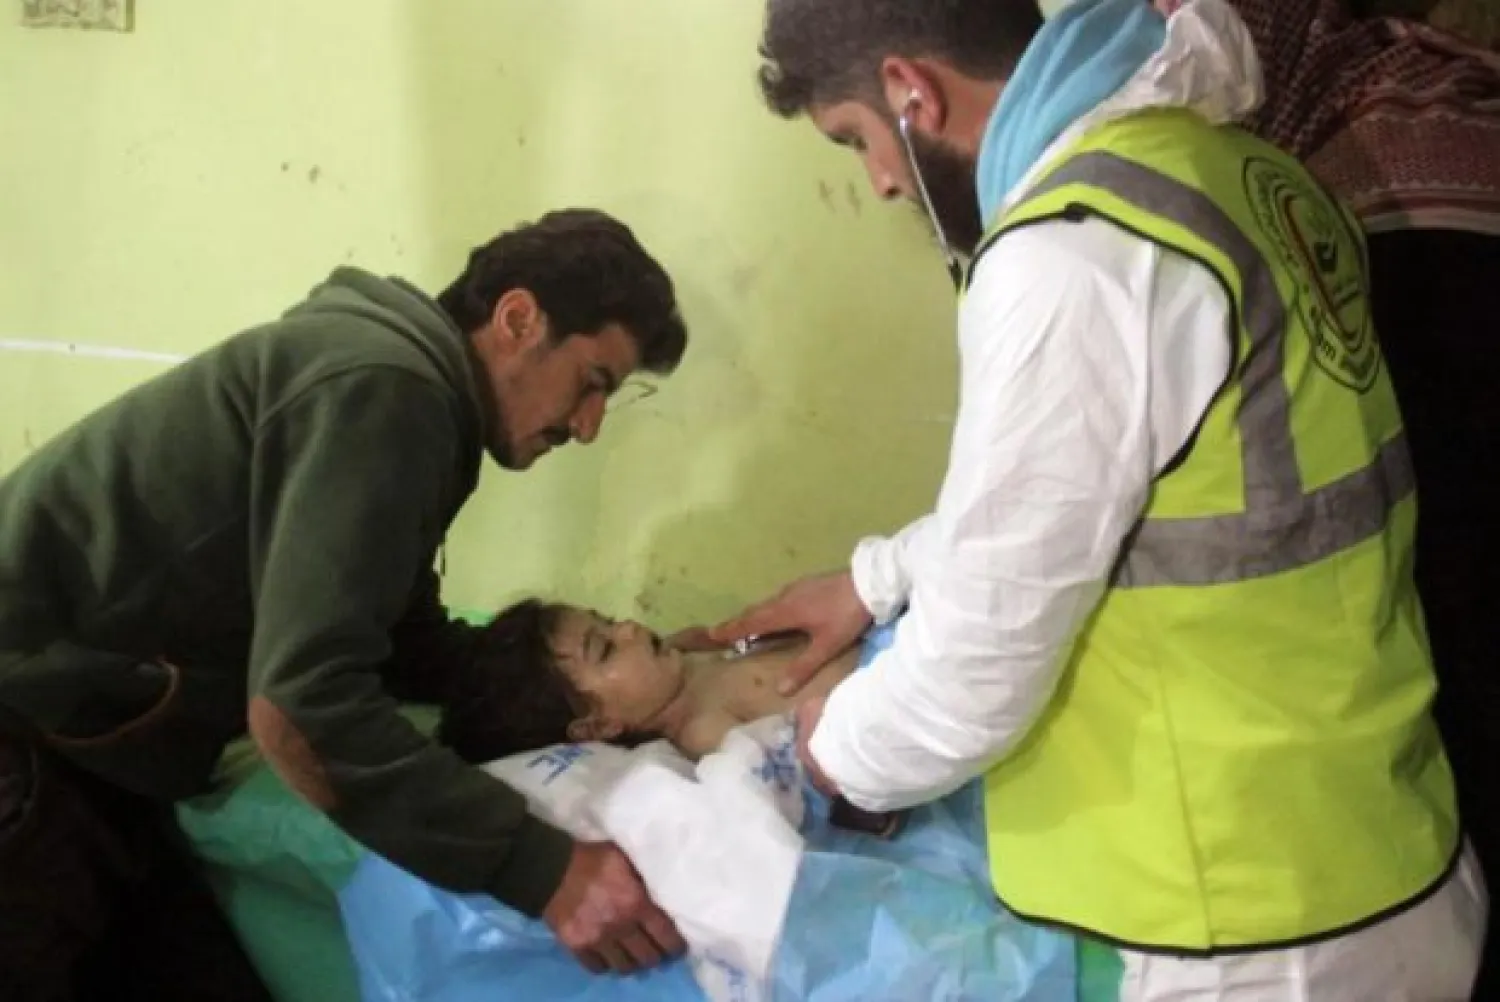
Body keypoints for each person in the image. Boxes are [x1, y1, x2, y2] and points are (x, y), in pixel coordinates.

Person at [706, 0, 1487, 997]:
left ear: (912, 92)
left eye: (857, 141)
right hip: (1377, 852)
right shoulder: (1229, 174)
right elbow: (1166, 510)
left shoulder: (1072, 255)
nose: (883, 181)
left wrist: (829, 746)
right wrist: (878, 578)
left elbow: (971, 676)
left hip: (1249, 925)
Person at [0, 209, 689, 1001]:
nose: (590, 425)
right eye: (592, 383)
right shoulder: (388, 391)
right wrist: (544, 869)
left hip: (84, 750)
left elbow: (400, 636)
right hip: (26, 756)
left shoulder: (392, 381)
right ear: (518, 319)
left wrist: (603, 670)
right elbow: (302, 707)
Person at [435, 599, 861, 764]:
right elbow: (793, 778)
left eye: (609, 621)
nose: (631, 629)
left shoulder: (685, 657)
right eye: (605, 649)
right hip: (887, 696)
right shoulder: (702, 731)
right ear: (599, 726)